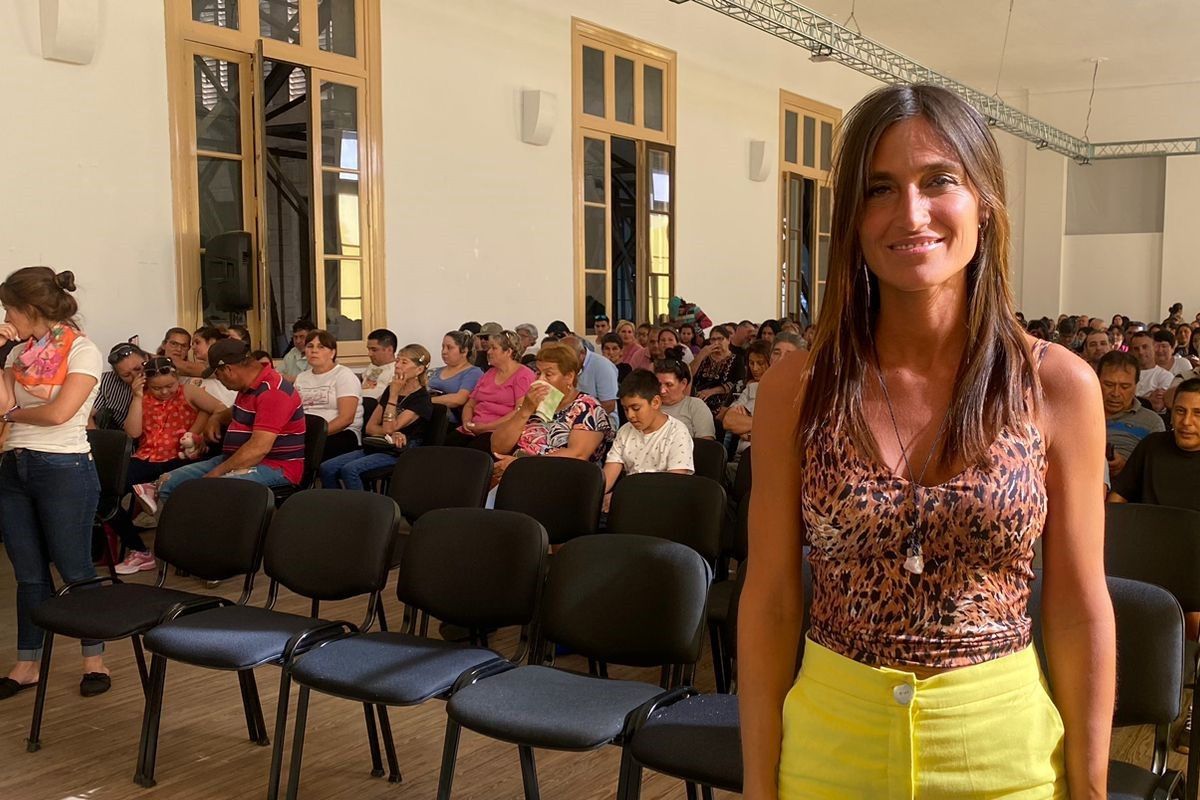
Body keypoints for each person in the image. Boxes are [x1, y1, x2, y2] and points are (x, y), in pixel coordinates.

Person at [741, 84, 1113, 800]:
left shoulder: (1055, 385)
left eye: (938, 180)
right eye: (880, 189)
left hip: (1000, 748)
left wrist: (1091, 786)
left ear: (984, 200)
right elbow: (773, 600)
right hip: (830, 745)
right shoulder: (800, 387)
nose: (910, 214)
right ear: (852, 219)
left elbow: (1075, 604)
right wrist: (760, 783)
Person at [0, 267, 111, 699]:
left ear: (30, 309)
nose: (6, 314)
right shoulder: (16, 355)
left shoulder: (82, 350)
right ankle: (27, 663)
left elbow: (59, 413)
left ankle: (94, 660)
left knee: (75, 568)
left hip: (64, 468)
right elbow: (4, 403)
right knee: (28, 574)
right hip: (14, 468)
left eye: (10, 307)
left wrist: (10, 416)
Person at [139, 339, 304, 510]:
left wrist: (216, 473)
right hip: (236, 458)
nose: (218, 380)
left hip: (274, 467)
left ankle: (217, 533)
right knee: (169, 484)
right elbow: (235, 411)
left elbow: (258, 448)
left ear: (228, 370)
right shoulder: (249, 387)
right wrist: (216, 418)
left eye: (217, 374)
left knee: (208, 490)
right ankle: (189, 533)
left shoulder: (273, 393)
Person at [111, 356, 224, 573]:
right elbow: (133, 433)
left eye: (169, 386)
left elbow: (219, 409)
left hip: (179, 458)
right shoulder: (141, 397)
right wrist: (136, 397)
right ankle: (139, 550)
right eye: (156, 388)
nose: (164, 392)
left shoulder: (188, 391)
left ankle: (154, 492)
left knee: (181, 496)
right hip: (147, 457)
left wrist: (198, 431)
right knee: (106, 494)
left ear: (177, 379)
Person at [489, 343, 614, 486]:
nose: (540, 380)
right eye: (537, 373)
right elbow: (497, 447)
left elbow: (577, 455)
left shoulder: (587, 407)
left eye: (548, 374)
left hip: (559, 482)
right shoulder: (534, 403)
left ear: (569, 377)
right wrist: (525, 411)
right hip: (519, 477)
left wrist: (521, 465)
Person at [319, 345, 434, 490]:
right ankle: (336, 504)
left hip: (402, 450)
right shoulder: (391, 388)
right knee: (327, 468)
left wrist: (393, 395)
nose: (397, 365)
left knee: (350, 470)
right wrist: (391, 433)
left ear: (419, 369)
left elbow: (388, 426)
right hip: (381, 443)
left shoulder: (421, 398)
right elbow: (371, 427)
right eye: (397, 360)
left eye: (404, 362)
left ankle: (363, 510)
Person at [603, 369, 695, 510]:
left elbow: (674, 485)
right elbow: (608, 475)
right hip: (629, 504)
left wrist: (624, 497)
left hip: (662, 506)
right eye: (625, 409)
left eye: (636, 408)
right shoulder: (625, 431)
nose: (630, 415)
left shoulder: (677, 432)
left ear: (656, 402)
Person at [1110, 378, 1200, 512]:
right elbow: (1119, 495)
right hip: (1145, 529)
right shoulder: (1152, 445)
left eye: (1198, 414)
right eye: (1180, 411)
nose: (1186, 422)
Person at [451, 330, 534, 453]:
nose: (488, 352)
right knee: (445, 449)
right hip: (473, 428)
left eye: (494, 348)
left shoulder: (523, 375)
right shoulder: (488, 373)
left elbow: (519, 411)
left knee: (468, 455)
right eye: (489, 348)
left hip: (497, 432)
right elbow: (470, 404)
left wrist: (485, 427)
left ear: (508, 352)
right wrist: (466, 422)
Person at [294, 330, 363, 462]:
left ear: (332, 353)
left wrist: (316, 435)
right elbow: (293, 411)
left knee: (307, 453)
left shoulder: (344, 375)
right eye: (310, 346)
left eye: (321, 347)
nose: (314, 351)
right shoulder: (301, 377)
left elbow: (346, 418)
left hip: (341, 434)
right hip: (307, 433)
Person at [1099, 350, 1164, 479]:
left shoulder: (1152, 422)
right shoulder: (1080, 414)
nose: (1116, 393)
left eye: (1124, 386)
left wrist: (1127, 467)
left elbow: (1157, 472)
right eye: (1109, 385)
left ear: (1136, 386)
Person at [429, 330, 484, 425]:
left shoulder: (473, 372)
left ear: (464, 351)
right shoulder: (434, 371)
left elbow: (459, 399)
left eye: (449, 348)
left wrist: (425, 401)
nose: (444, 351)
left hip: (447, 421)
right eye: (443, 347)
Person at [91, 340, 148, 430]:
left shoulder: (161, 375)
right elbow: (86, 415)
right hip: (124, 436)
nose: (135, 376)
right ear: (117, 375)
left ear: (146, 359)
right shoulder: (106, 381)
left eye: (138, 369)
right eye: (126, 375)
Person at [655, 359, 715, 440]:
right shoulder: (649, 405)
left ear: (683, 383)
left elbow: (706, 445)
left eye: (669, 384)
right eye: (658, 384)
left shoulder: (695, 406)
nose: (662, 391)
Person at [691, 323, 745, 413]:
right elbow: (688, 375)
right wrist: (700, 356)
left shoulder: (737, 359)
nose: (716, 343)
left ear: (728, 340)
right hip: (698, 400)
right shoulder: (703, 357)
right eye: (713, 339)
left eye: (720, 339)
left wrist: (711, 391)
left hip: (722, 402)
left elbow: (738, 383)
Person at [564, 335, 618, 415]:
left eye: (568, 358)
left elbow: (609, 405)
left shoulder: (602, 366)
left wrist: (578, 419)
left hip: (599, 419)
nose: (565, 361)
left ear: (582, 353)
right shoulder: (562, 365)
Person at [190, 326, 238, 408]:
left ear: (212, 341)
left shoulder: (225, 362)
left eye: (197, 343)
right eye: (192, 344)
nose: (193, 347)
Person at [1128, 330, 1173, 411]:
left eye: (1145, 347)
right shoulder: (1125, 374)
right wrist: (1148, 399)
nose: (1141, 352)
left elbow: (1157, 406)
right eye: (1136, 349)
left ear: (1154, 347)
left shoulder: (1166, 376)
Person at [361, 328, 397, 401]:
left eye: (374, 350)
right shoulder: (372, 366)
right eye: (369, 350)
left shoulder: (397, 370)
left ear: (389, 350)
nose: (369, 354)